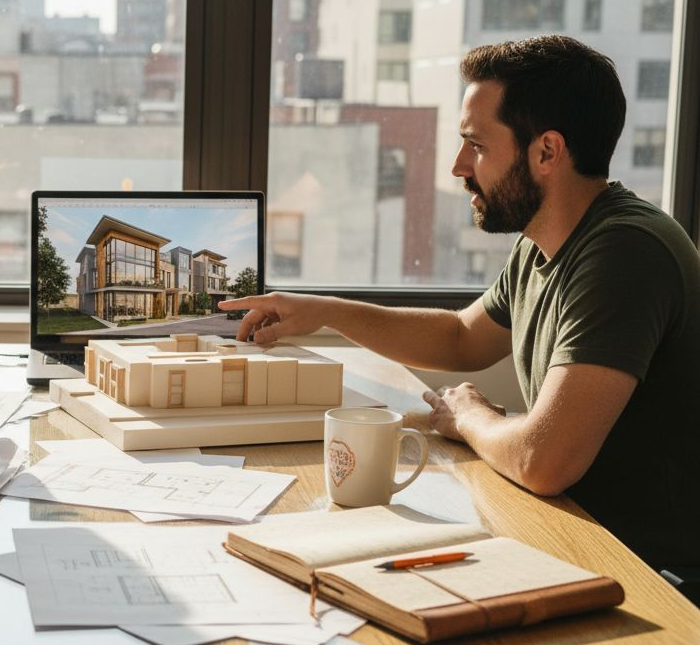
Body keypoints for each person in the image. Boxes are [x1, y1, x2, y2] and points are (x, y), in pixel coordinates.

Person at [219, 35, 700, 601]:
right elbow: (461, 339)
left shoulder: (624, 253)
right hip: (580, 538)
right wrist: (318, 310)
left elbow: (543, 462)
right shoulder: (547, 242)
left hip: (652, 577)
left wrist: (468, 416)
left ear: (547, 152)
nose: (457, 166)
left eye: (475, 144)